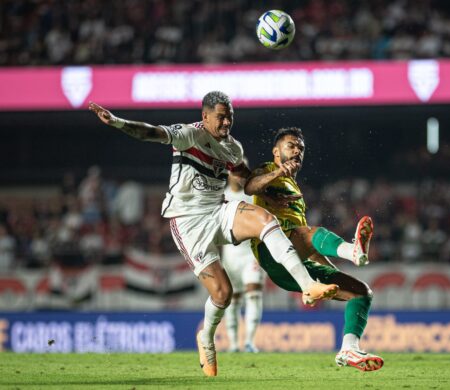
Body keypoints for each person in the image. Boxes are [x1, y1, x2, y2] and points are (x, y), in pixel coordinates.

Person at [88, 91, 339, 377]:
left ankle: (308, 285)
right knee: (223, 293)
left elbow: (248, 183)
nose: (226, 122)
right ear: (204, 115)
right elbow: (151, 133)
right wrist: (118, 122)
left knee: (265, 220)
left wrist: (275, 178)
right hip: (187, 223)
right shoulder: (188, 135)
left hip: (218, 211)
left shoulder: (232, 148)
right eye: (221, 116)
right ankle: (206, 337)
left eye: (230, 116)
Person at [245, 127, 384, 372]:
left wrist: (333, 276)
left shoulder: (296, 192)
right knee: (306, 232)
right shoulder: (267, 169)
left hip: (295, 263)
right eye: (291, 146)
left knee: (362, 292)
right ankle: (354, 251)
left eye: (301, 148)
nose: (297, 151)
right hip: (272, 253)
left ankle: (349, 349)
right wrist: (277, 171)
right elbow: (250, 187)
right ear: (276, 151)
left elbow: (309, 247)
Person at [220, 171, 264, 353]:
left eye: (240, 173)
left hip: (250, 254)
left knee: (254, 295)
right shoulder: (220, 196)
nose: (238, 177)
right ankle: (233, 344)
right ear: (228, 175)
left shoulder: (252, 196)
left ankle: (249, 342)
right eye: (234, 173)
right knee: (232, 299)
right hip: (230, 255)